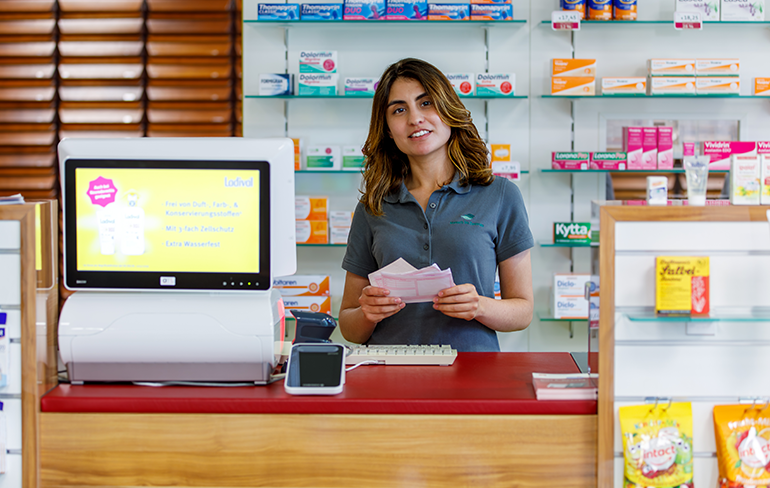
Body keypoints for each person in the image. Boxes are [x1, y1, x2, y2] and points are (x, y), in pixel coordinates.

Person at [338, 58, 534, 352]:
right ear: (388, 130)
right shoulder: (374, 206)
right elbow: (348, 325)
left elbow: (523, 311)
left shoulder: (500, 195)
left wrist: (479, 306)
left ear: (448, 110)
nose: (415, 118)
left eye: (426, 103)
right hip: (388, 374)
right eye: (399, 109)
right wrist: (367, 312)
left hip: (472, 374)